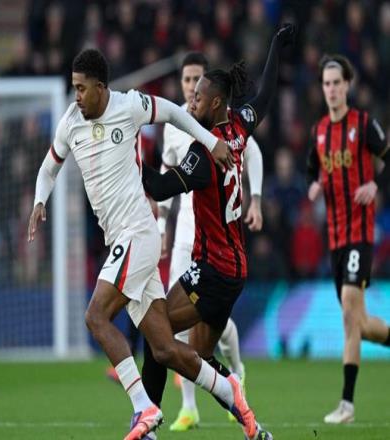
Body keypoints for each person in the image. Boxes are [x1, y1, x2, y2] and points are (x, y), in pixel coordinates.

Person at [28, 48, 260, 440]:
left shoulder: (129, 105)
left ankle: (144, 408)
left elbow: (172, 111)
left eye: (82, 88)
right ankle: (230, 390)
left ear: (101, 87)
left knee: (95, 316)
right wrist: (39, 201)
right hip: (119, 239)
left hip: (138, 232)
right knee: (164, 347)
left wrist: (209, 141)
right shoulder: (70, 122)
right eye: (74, 88)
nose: (77, 96)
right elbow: (49, 167)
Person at [141, 23, 297, 440]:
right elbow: (265, 95)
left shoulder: (203, 152)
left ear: (214, 103)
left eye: (197, 97)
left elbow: (160, 188)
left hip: (212, 269)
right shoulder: (239, 128)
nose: (190, 102)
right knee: (200, 358)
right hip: (235, 270)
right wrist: (276, 46)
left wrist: (129, 156)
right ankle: (252, 424)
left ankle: (147, 423)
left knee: (156, 332)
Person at [157, 51, 264, 431]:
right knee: (189, 343)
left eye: (198, 86)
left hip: (214, 257)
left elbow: (163, 184)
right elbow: (167, 171)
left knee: (168, 328)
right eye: (187, 83)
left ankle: (233, 375)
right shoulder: (200, 125)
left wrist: (256, 198)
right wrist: (162, 224)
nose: (192, 92)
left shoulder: (213, 138)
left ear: (213, 97)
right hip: (205, 250)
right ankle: (211, 411)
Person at [306, 54, 390, 424]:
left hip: (360, 233)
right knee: (359, 322)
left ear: (347, 85)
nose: (331, 89)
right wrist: (313, 185)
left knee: (348, 315)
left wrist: (375, 184)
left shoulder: (363, 124)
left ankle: (347, 405)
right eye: (326, 84)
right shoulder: (320, 131)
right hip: (335, 238)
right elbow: (312, 169)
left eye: (337, 83)